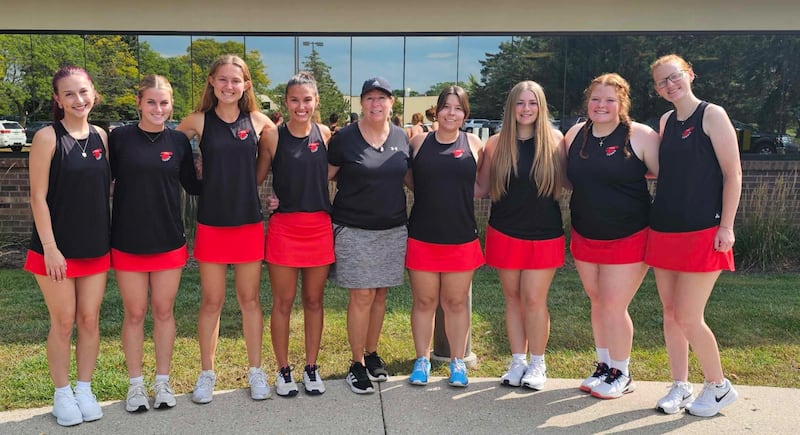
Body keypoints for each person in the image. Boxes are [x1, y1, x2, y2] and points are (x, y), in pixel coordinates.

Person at [176, 54, 278, 404]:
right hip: (212, 224)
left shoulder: (260, 121)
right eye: (223, 79)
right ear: (212, 82)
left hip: (248, 223)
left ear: (246, 85)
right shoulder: (199, 121)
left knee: (249, 300)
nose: (229, 86)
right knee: (211, 301)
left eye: (236, 80)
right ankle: (206, 372)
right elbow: (168, 148)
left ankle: (256, 371)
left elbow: (278, 157)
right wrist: (196, 182)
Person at [647, 54, 741, 417]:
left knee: (688, 316)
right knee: (670, 314)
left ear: (690, 75)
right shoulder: (667, 120)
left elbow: (732, 174)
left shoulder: (713, 114)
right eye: (662, 82)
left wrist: (727, 226)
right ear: (657, 90)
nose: (670, 85)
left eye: (674, 77)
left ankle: (718, 387)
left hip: (704, 230)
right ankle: (680, 386)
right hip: (665, 229)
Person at [109, 74, 202, 412]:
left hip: (168, 239)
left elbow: (194, 187)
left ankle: (163, 382)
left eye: (164, 103)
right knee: (135, 313)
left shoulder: (178, 142)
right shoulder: (118, 139)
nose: (158, 108)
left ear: (171, 105)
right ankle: (135, 386)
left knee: (164, 312)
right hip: (127, 240)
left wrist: (235, 172)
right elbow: (100, 182)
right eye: (151, 102)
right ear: (139, 103)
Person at [24, 65, 110, 426]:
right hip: (55, 249)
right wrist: (50, 247)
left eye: (84, 91)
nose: (79, 99)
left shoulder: (103, 136)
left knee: (89, 321)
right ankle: (62, 395)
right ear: (58, 99)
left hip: (95, 246)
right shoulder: (47, 137)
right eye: (70, 94)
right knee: (63, 321)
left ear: (94, 93)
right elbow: (37, 197)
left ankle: (84, 389)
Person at [564, 73, 659, 399]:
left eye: (609, 100)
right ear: (587, 102)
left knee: (615, 305)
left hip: (629, 235)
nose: (601, 105)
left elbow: (668, 177)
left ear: (622, 103)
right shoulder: (576, 134)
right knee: (598, 302)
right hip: (585, 233)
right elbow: (568, 178)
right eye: (595, 99)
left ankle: (622, 371)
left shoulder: (641, 135)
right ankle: (603, 366)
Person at [474, 80, 565, 390]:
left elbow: (577, 181)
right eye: (520, 103)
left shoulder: (556, 142)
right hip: (504, 231)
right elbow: (481, 188)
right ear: (511, 107)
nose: (526, 109)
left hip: (545, 234)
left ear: (541, 107)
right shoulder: (495, 144)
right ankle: (518, 360)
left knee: (534, 300)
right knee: (512, 300)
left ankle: (538, 362)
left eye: (532, 103)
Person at [328, 77, 410, 394]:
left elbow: (413, 179)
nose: (376, 104)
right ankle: (357, 363)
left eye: (382, 98)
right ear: (361, 103)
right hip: (353, 229)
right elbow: (323, 177)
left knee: (379, 296)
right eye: (370, 98)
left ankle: (373, 353)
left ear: (392, 103)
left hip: (392, 228)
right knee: (361, 296)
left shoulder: (403, 138)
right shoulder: (344, 139)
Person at [406, 86, 484, 388]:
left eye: (458, 108)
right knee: (424, 301)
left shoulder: (475, 143)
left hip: (461, 237)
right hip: (423, 235)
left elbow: (484, 184)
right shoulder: (418, 142)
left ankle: (457, 362)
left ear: (465, 114)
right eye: (446, 107)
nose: (451, 113)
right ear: (436, 110)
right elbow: (410, 179)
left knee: (456, 303)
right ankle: (422, 360)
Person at [263, 72, 333, 397]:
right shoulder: (273, 137)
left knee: (314, 301)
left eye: (307, 99)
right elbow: (255, 177)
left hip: (319, 229)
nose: (301, 106)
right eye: (294, 99)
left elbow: (330, 172)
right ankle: (282, 370)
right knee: (283, 302)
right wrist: (268, 199)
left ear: (316, 101)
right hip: (285, 230)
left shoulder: (326, 134)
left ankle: (311, 367)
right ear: (286, 102)